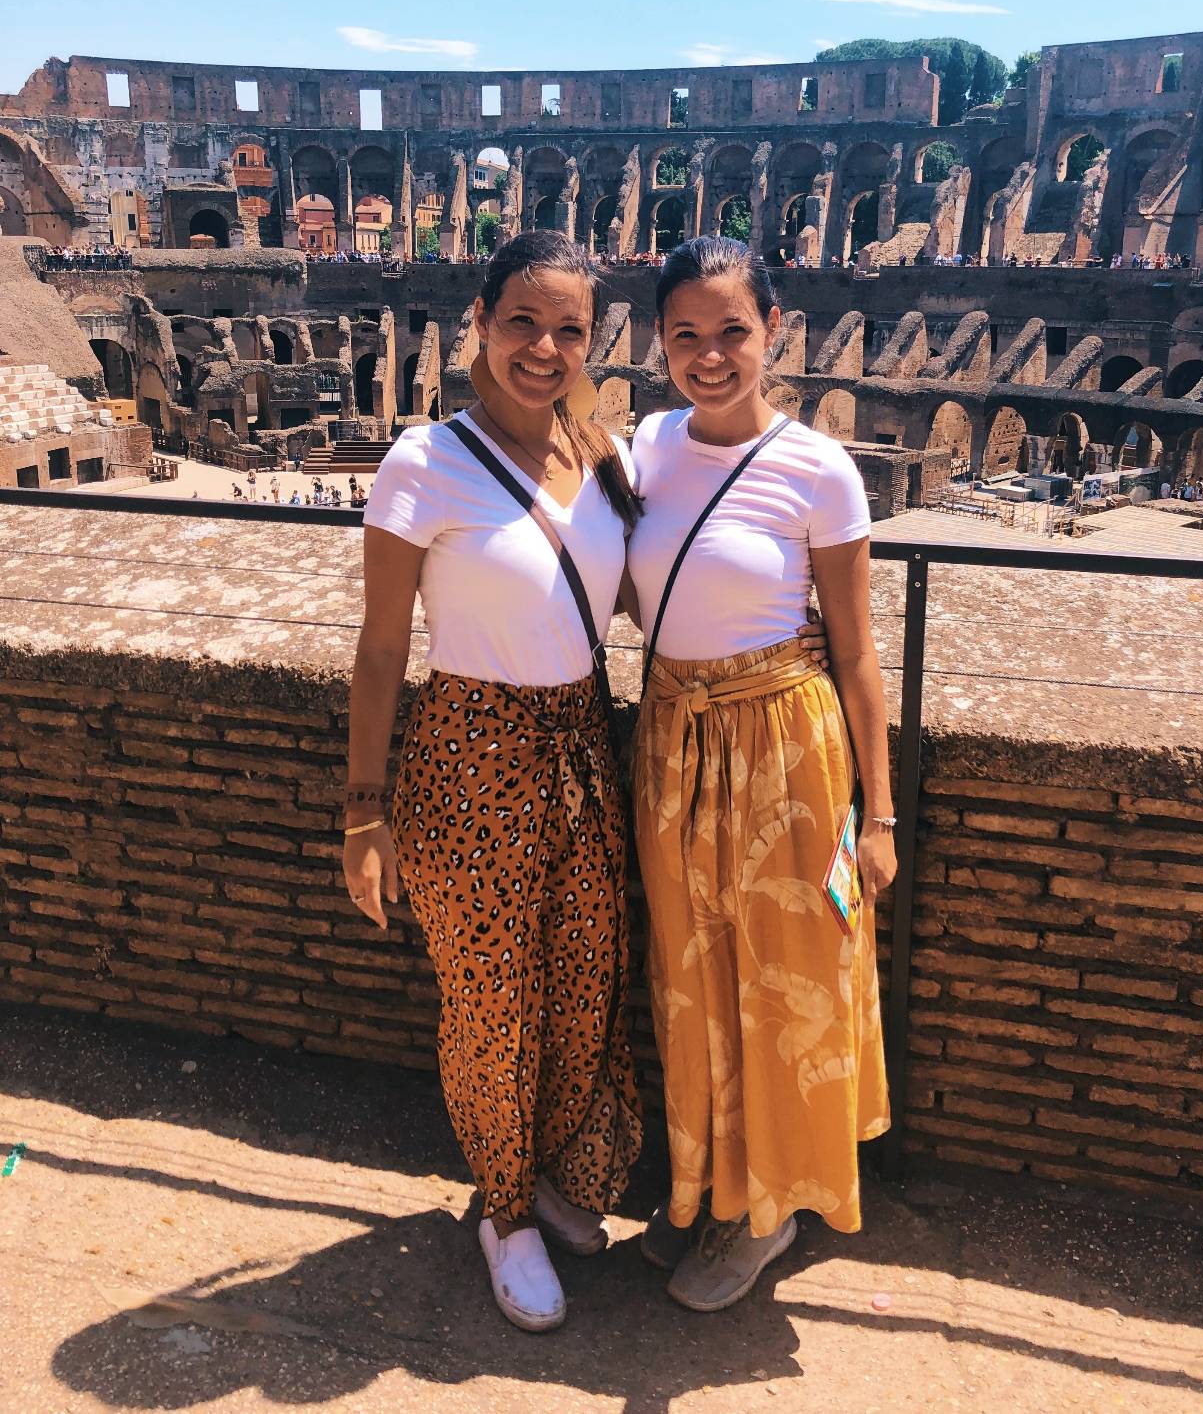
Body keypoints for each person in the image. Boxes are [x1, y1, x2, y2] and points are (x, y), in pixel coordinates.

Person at [345, 231, 643, 1333]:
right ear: (480, 320)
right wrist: (362, 816)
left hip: (582, 752)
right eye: (522, 321)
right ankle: (504, 1211)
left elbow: (637, 598)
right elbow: (382, 649)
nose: (544, 348)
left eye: (569, 329)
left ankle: (555, 1171)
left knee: (584, 980)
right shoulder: (424, 461)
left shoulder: (602, 454)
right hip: (469, 756)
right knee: (490, 1001)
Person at [627, 236, 896, 1312]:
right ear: (658, 342)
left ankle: (771, 1209)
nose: (709, 355)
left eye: (732, 331)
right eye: (685, 334)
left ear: (773, 330)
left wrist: (879, 817)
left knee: (789, 976)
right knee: (690, 977)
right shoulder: (647, 445)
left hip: (787, 746)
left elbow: (859, 653)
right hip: (671, 740)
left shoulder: (820, 469)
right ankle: (707, 1188)